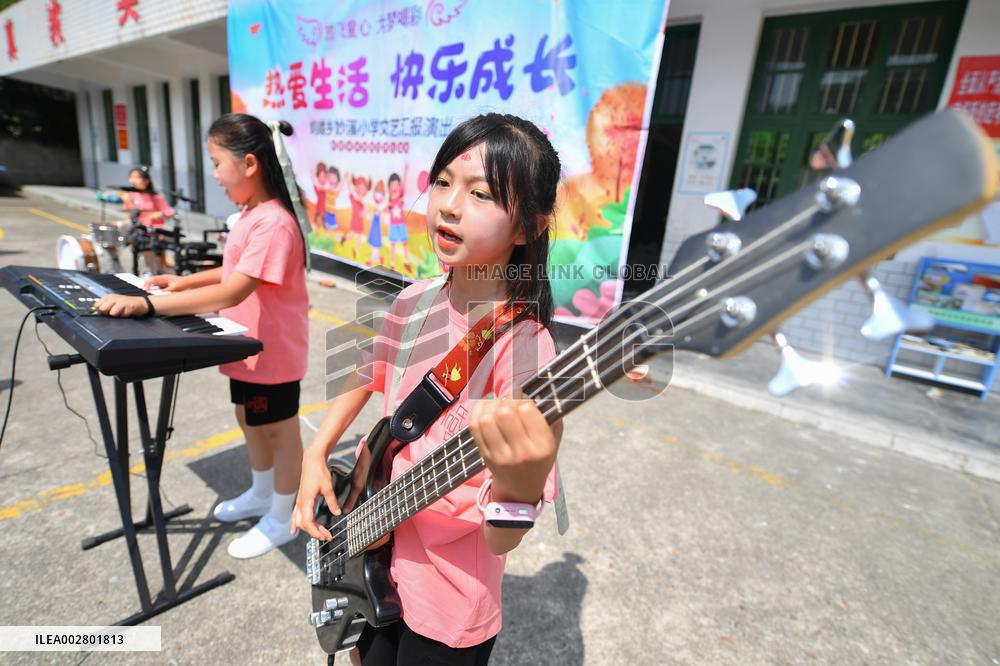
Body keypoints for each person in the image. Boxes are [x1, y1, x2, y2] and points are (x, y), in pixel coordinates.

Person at [292, 113, 562, 664]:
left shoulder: (525, 348)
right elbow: (369, 370)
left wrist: (523, 482)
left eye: (481, 193)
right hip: (374, 561)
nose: (449, 205)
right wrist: (317, 451)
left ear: (529, 226)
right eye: (443, 181)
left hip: (449, 606)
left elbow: (501, 540)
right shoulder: (414, 300)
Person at [94, 113, 309, 560]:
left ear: (249, 163)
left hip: (272, 352)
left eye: (216, 162)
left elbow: (235, 288)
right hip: (246, 345)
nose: (214, 174)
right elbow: (236, 269)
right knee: (249, 419)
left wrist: (148, 304)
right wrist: (183, 281)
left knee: (278, 430)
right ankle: (260, 492)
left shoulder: (274, 222)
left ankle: (283, 514)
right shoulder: (253, 215)